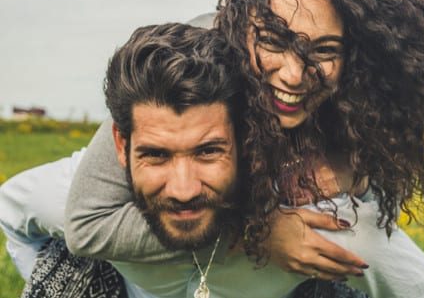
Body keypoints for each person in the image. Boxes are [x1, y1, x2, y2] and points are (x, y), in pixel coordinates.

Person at [61, 0, 424, 297]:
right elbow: (86, 224)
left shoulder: (360, 93)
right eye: (273, 40)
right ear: (240, 23)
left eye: (325, 50)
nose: (293, 75)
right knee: (33, 199)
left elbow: (372, 193)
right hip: (180, 228)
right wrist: (257, 232)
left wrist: (351, 174)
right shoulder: (198, 62)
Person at [0, 23, 324, 298]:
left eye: (208, 151)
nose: (183, 189)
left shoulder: (319, 222)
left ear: (243, 141)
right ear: (121, 146)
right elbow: (12, 209)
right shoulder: (75, 198)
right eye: (156, 155)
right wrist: (255, 234)